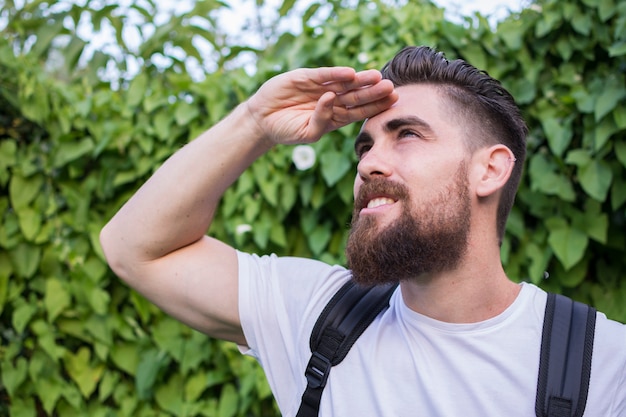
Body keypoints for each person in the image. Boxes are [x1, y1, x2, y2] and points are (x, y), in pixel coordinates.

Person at [100, 46, 626, 416]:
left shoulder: (602, 363)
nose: (369, 163)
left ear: (489, 170)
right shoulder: (320, 314)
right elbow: (134, 249)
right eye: (365, 146)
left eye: (407, 135)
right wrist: (255, 122)